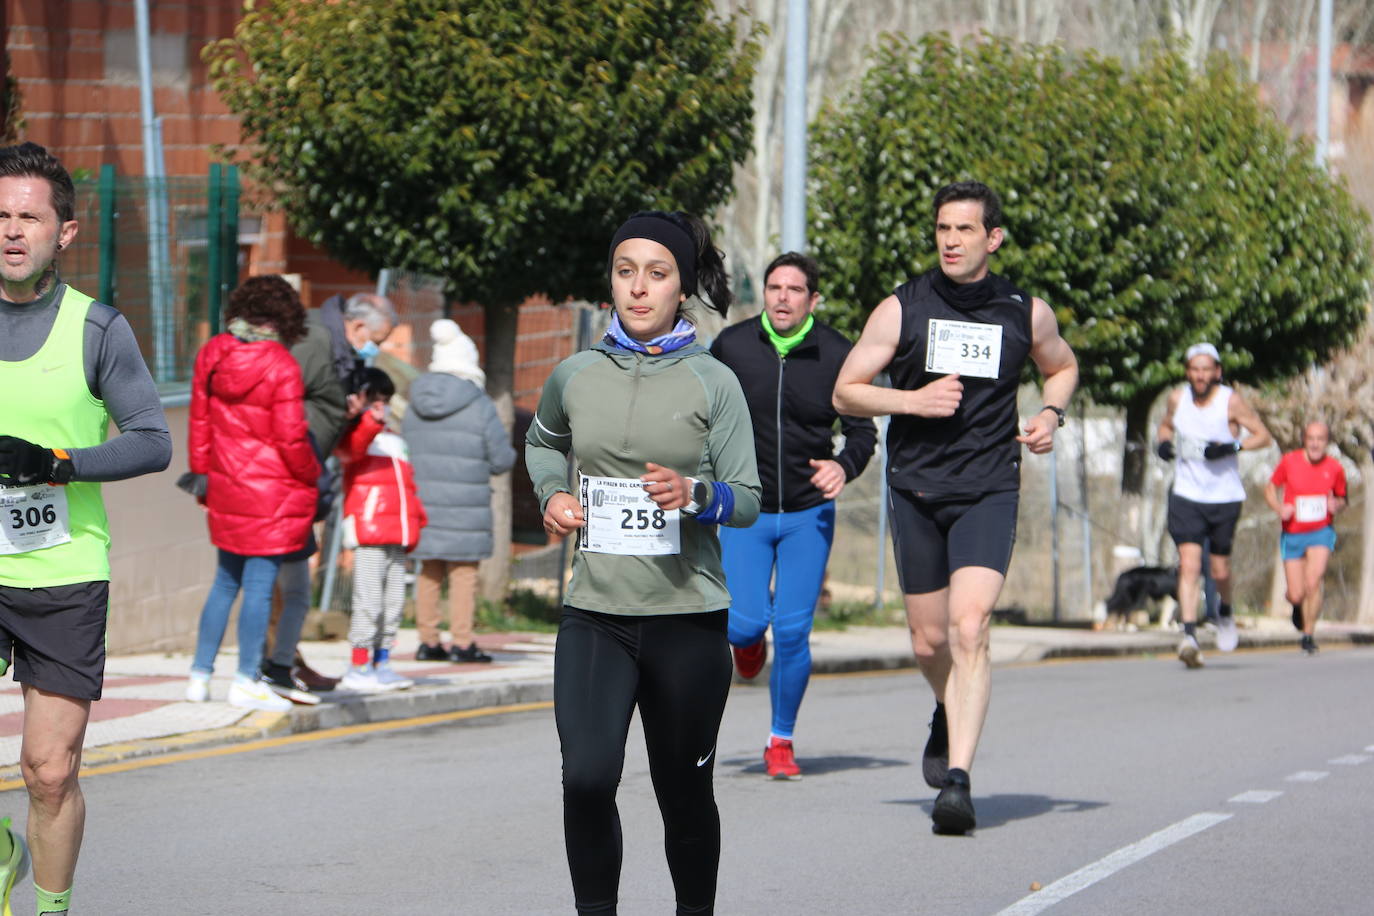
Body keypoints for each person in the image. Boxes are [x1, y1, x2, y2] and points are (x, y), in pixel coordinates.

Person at [526, 210, 761, 914]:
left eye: (656, 274)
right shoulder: (574, 374)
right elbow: (543, 442)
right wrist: (553, 492)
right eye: (626, 271)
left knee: (683, 794)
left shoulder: (713, 382)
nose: (638, 287)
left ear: (681, 288)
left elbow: (746, 499)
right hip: (596, 615)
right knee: (588, 779)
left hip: (686, 618)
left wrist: (696, 494)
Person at [833, 181, 1078, 835]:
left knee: (970, 629)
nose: (950, 239)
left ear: (992, 238)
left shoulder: (1026, 313)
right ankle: (947, 704)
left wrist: (1050, 412)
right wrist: (912, 402)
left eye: (965, 229)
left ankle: (958, 785)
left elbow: (1062, 367)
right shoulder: (902, 308)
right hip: (915, 488)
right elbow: (846, 392)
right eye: (943, 227)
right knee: (929, 638)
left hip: (989, 488)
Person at [0, 141, 172, 916]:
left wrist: (56, 463)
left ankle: (49, 909)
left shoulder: (97, 329)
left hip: (62, 568)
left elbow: (151, 439)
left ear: (63, 233)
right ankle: (4, 851)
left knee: (49, 769)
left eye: (29, 217)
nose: (11, 231)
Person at [708, 251, 876, 779]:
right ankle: (748, 646)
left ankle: (781, 740)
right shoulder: (732, 347)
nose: (783, 297)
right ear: (765, 293)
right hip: (746, 509)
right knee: (743, 625)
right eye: (775, 287)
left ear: (813, 299)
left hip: (808, 513)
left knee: (796, 630)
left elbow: (863, 431)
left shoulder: (837, 354)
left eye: (795, 289)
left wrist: (843, 467)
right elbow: (702, 417)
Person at [186, 276, 320, 713]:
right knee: (259, 588)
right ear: (284, 317)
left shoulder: (212, 353)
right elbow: (291, 437)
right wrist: (310, 474)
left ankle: (199, 675)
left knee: (225, 582)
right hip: (272, 492)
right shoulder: (281, 364)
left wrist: (203, 474)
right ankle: (246, 677)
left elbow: (199, 423)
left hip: (225, 485)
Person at [262, 292, 397, 698]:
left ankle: (284, 660)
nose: (378, 347)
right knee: (278, 580)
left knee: (291, 582)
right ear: (357, 327)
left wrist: (349, 414)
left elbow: (323, 417)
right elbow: (280, 402)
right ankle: (273, 663)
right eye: (378, 337)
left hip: (301, 475)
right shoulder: (315, 342)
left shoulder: (339, 352)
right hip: (282, 477)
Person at [403, 318, 515, 663]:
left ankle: (428, 641)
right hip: (466, 506)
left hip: (423, 502)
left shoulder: (414, 400)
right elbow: (500, 459)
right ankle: (463, 643)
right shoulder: (478, 404)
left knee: (429, 570)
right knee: (463, 574)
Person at [1155, 342, 1271, 667]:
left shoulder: (1229, 401)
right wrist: (1163, 443)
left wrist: (1232, 446)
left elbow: (1263, 435)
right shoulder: (1177, 398)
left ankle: (1226, 611)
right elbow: (1165, 425)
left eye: (1207, 369)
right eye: (1195, 369)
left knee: (1219, 569)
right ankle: (1189, 636)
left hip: (1224, 496)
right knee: (1189, 565)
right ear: (1188, 372)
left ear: (1217, 372)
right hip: (1187, 494)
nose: (1201, 375)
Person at [336, 369, 427, 690]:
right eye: (377, 400)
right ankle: (358, 666)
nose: (382, 407)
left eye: (386, 401)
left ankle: (382, 661)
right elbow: (351, 451)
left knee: (392, 603)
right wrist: (369, 422)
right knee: (369, 600)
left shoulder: (393, 436)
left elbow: (407, 486)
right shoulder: (357, 433)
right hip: (370, 527)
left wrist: (417, 518)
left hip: (398, 530)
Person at [1263, 421, 1345, 655]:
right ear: (1305, 440)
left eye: (1320, 439)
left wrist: (1335, 505)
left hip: (1321, 531)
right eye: (1311, 438)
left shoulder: (1335, 467)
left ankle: (1308, 634)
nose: (1316, 443)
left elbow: (1342, 499)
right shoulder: (1290, 461)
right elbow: (1270, 487)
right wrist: (1279, 508)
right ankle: (1297, 606)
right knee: (1296, 592)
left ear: (1326, 442)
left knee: (1314, 580)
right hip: (1293, 532)